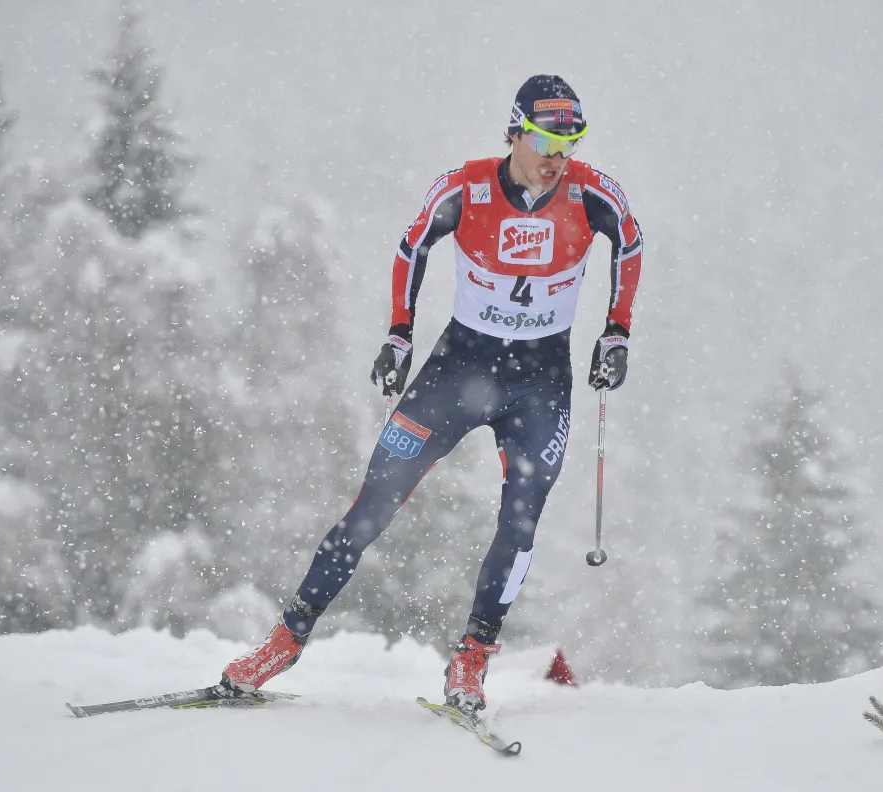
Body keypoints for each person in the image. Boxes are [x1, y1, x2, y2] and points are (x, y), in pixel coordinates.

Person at [220, 74, 643, 713]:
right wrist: (398, 333)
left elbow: (632, 244)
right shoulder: (466, 187)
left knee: (521, 518)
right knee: (372, 504)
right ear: (516, 131)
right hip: (459, 368)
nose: (558, 159)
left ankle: (472, 660)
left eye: (570, 144)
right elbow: (411, 246)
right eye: (547, 142)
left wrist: (617, 331)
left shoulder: (591, 194)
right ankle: (284, 640)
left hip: (540, 380)